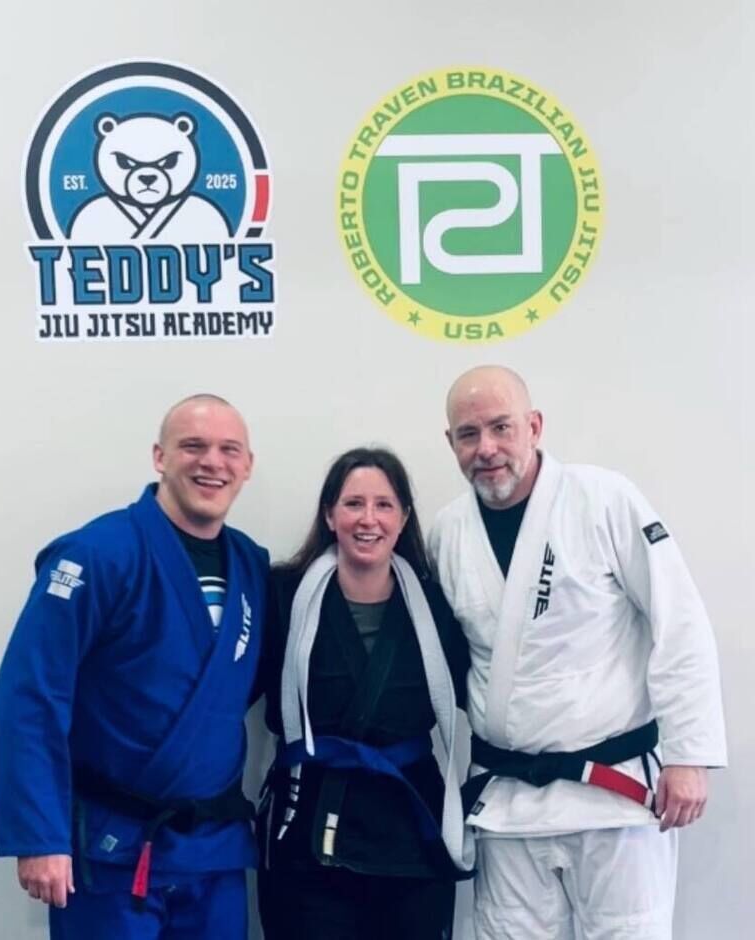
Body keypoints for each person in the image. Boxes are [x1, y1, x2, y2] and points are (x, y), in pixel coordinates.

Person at [428, 365, 727, 940]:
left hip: (612, 794)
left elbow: (680, 623)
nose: (486, 448)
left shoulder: (604, 500)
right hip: (509, 802)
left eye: (501, 427)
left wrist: (689, 755)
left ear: (534, 426)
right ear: (451, 443)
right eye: (468, 434)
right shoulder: (449, 531)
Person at [0, 394, 268, 940]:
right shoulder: (97, 553)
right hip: (113, 847)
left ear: (247, 465)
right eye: (193, 446)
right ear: (160, 456)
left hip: (212, 853)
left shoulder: (251, 565)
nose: (213, 462)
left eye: (229, 449)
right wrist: (40, 837)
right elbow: (31, 696)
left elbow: (238, 686)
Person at [257, 447, 473, 940]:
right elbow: (229, 692)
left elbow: (482, 695)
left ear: (404, 518)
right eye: (354, 503)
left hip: (410, 831)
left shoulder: (435, 604)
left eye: (384, 505)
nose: (368, 519)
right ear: (329, 515)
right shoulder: (283, 597)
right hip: (307, 828)